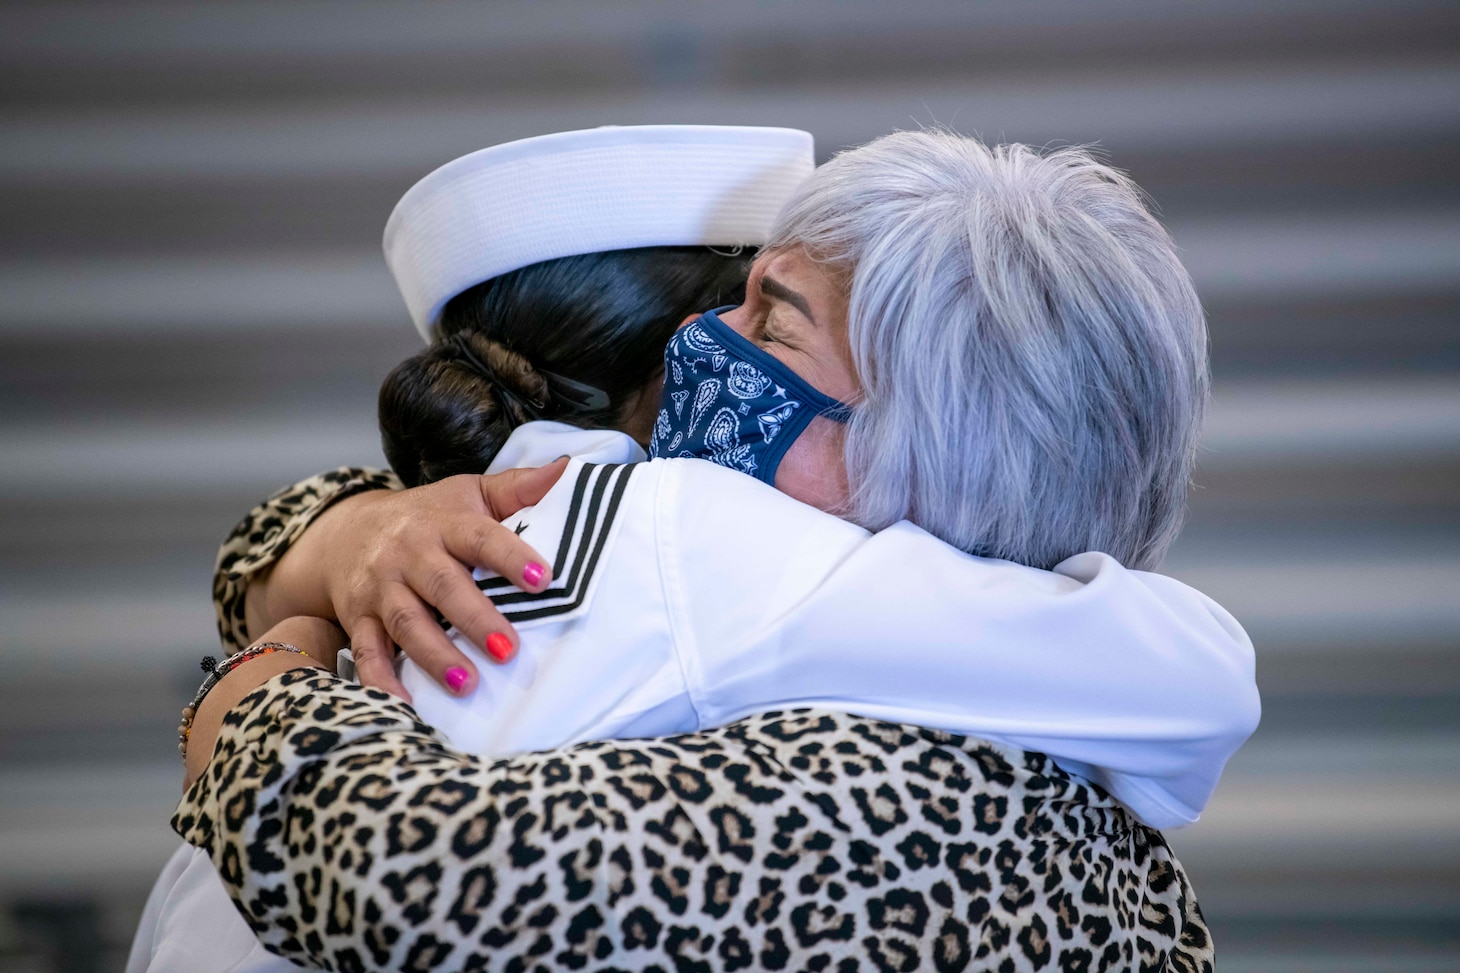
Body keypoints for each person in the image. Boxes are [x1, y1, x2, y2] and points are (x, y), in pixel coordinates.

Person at [162, 129, 1253, 970]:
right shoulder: (1074, 738)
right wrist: (347, 539)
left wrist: (261, 686)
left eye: (771, 327)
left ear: (935, 447)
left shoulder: (710, 550)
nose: (699, 348)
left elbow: (408, 880)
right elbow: (1190, 677)